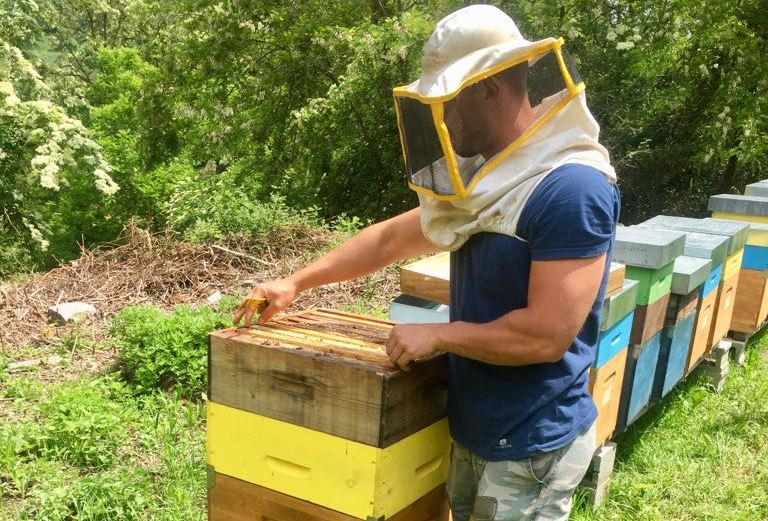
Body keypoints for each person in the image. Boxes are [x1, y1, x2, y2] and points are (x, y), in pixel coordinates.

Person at [234, 5, 620, 521]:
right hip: (476, 421)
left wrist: (438, 335)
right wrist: (296, 282)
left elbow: (546, 334)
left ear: (489, 90)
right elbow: (389, 240)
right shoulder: (485, 178)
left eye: (451, 102)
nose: (443, 119)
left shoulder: (570, 187)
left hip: (531, 439)